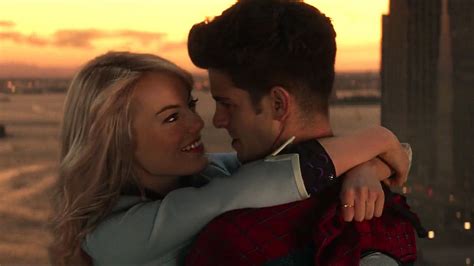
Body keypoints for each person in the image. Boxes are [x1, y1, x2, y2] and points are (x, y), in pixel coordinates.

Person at [49, 51, 409, 266]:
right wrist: (378, 139)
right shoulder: (111, 237)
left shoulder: (209, 172)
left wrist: (365, 168)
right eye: (172, 117)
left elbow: (298, 168)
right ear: (117, 141)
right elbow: (252, 187)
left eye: (190, 106)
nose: (198, 123)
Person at [185, 0, 423, 265]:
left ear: (278, 104)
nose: (218, 120)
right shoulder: (389, 218)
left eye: (227, 104)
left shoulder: (231, 241)